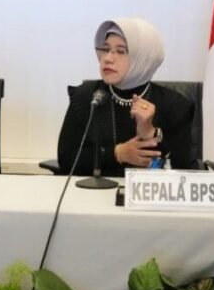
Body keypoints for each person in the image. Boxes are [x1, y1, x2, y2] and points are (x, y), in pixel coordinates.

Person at [56, 18, 194, 176]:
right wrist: (117, 153)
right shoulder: (87, 97)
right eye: (105, 49)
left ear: (143, 58)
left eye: (121, 51)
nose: (107, 58)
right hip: (95, 190)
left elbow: (183, 171)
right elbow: (66, 160)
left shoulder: (175, 105)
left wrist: (150, 133)